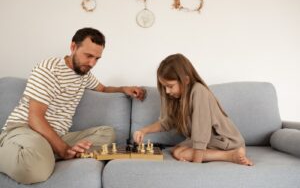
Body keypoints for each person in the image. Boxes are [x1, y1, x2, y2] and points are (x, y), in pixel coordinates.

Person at [0, 27, 145, 184]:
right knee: (35, 171)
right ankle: (34, 152)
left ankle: (47, 153)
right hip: (27, 129)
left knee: (107, 133)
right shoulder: (49, 69)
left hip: (57, 135)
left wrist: (123, 89)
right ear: (73, 47)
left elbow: (102, 88)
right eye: (88, 56)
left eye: (97, 58)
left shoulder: (84, 73)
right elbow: (35, 118)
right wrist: (63, 150)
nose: (92, 63)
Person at [133, 53, 253, 166]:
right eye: (164, 87)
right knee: (176, 151)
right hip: (211, 140)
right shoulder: (179, 98)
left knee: (180, 153)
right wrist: (143, 131)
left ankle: (230, 155)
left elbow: (201, 133)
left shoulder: (198, 91)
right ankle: (227, 155)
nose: (167, 91)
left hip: (226, 141)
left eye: (170, 86)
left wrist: (195, 165)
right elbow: (168, 122)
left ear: (185, 80)